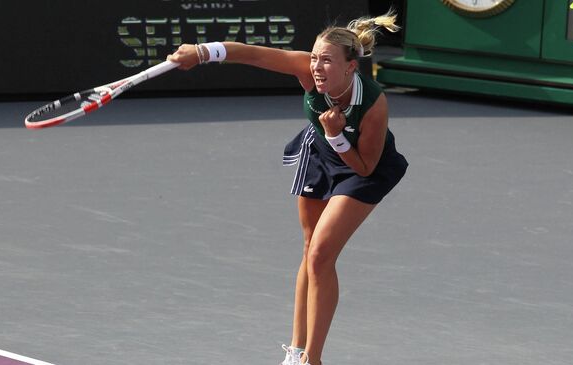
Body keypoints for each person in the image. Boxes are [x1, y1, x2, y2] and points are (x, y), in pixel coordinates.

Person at [168, 10, 407, 365]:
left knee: (321, 254)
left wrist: (337, 136)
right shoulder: (306, 71)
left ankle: (313, 359)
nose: (316, 66)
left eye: (326, 60)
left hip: (362, 167)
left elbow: (365, 165)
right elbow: (252, 53)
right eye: (313, 57)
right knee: (311, 249)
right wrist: (202, 52)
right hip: (321, 155)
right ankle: (295, 353)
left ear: (350, 68)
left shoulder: (374, 105)